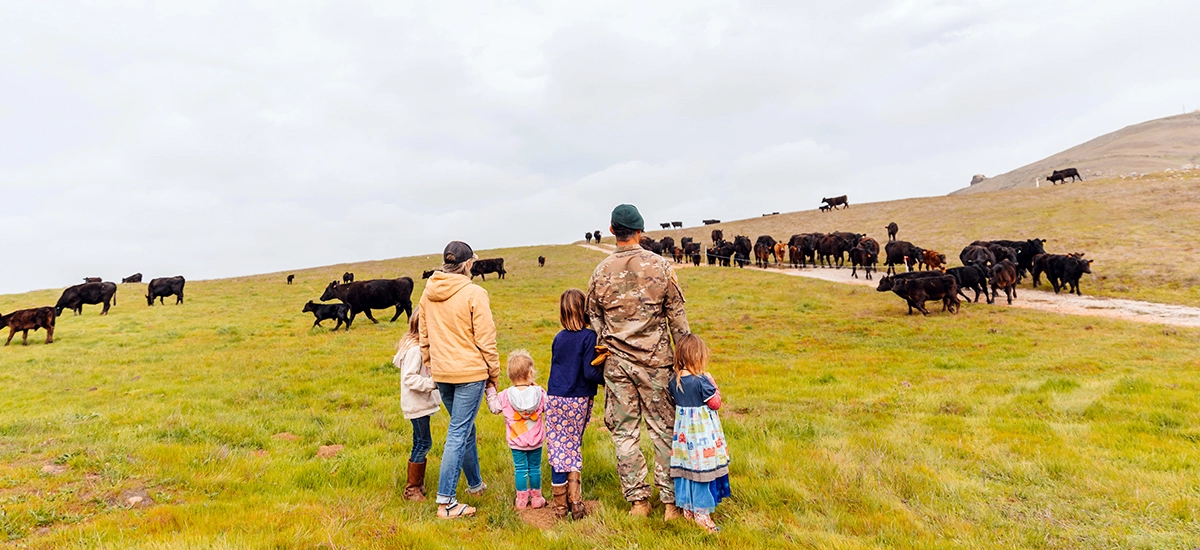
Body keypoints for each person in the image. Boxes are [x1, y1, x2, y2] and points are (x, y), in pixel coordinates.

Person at [586, 203, 690, 520]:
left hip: (617, 365)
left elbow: (593, 317)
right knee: (664, 431)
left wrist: (611, 342)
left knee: (624, 433)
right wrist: (686, 364)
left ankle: (638, 502)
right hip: (657, 363)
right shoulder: (661, 267)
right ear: (641, 232)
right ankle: (671, 503)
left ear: (612, 229)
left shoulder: (600, 271)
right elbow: (678, 320)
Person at [420, 240, 501, 519]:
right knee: (458, 432)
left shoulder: (427, 292)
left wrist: (431, 364)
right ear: (467, 264)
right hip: (469, 373)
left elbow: (424, 335)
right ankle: (447, 503)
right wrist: (494, 374)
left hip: (443, 373)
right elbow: (486, 339)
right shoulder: (474, 292)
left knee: (464, 429)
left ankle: (476, 485)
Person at [545, 289, 604, 519]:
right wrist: (607, 378)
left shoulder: (558, 337)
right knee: (572, 447)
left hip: (555, 398)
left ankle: (560, 508)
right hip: (577, 399)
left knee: (558, 449)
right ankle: (576, 503)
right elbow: (590, 373)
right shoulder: (589, 337)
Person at [668, 334, 730, 534]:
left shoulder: (674, 381)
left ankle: (688, 509)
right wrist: (713, 382)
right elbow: (715, 403)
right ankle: (702, 515)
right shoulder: (702, 381)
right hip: (702, 436)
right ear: (698, 357)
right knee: (702, 471)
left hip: (684, 437)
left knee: (688, 469)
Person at [485, 350, 548, 510]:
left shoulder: (505, 395)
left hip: (516, 441)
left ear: (510, 376)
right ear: (530, 373)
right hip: (536, 440)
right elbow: (549, 407)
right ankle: (536, 498)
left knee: (520, 469)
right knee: (535, 468)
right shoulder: (539, 393)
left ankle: (521, 500)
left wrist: (491, 391)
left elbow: (494, 408)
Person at [394, 306, 439, 501]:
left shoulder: (417, 347)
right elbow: (410, 378)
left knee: (419, 441)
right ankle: (411, 489)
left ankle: (418, 484)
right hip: (417, 404)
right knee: (424, 442)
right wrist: (432, 384)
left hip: (419, 404)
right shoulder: (415, 351)